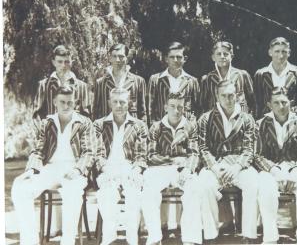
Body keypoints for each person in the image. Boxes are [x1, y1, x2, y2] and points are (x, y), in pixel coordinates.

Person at [12, 86, 95, 245]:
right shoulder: (47, 123)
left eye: (70, 102)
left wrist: (78, 170)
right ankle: (30, 241)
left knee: (72, 191)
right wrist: (31, 170)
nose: (66, 106)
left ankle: (67, 241)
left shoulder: (84, 123)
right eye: (62, 102)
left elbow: (89, 152)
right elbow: (38, 150)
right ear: (55, 102)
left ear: (75, 103)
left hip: (74, 169)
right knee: (20, 186)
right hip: (49, 169)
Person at [197, 80, 258, 242]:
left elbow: (249, 149)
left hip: (239, 166)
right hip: (215, 165)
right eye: (224, 95)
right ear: (217, 96)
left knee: (253, 184)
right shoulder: (205, 118)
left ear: (237, 96)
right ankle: (211, 235)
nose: (228, 99)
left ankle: (249, 235)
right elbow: (203, 148)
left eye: (231, 95)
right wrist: (215, 167)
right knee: (205, 186)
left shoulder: (247, 119)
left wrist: (237, 167)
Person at [254, 87, 297, 244]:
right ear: (269, 105)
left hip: (295, 167)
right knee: (265, 185)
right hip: (271, 169)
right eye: (276, 103)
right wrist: (273, 170)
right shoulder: (261, 124)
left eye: (284, 102)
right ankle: (270, 237)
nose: (281, 106)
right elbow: (257, 154)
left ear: (291, 103)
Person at [142, 92, 201, 245]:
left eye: (180, 107)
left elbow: (194, 154)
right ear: (165, 107)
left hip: (182, 169)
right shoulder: (156, 127)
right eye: (173, 106)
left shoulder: (190, 127)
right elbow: (150, 155)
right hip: (159, 169)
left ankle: (190, 238)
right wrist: (173, 160)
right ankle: (154, 237)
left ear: (184, 108)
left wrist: (188, 168)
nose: (176, 111)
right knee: (149, 189)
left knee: (194, 187)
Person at [93, 88, 148, 245]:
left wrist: (136, 170)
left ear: (129, 103)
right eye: (115, 101)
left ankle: (132, 239)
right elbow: (98, 153)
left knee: (134, 193)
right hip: (107, 167)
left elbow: (141, 154)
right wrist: (105, 170)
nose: (119, 105)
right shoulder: (99, 125)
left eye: (123, 102)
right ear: (109, 103)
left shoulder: (139, 125)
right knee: (106, 193)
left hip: (130, 167)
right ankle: (109, 238)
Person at [148, 42, 200, 125]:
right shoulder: (156, 79)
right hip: (162, 129)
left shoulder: (192, 81)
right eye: (172, 57)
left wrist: (191, 125)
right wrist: (154, 126)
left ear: (185, 59)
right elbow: (150, 108)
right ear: (166, 59)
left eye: (179, 57)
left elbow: (197, 108)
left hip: (184, 131)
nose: (175, 60)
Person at [33, 45, 91, 119]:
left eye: (67, 62)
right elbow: (36, 114)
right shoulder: (44, 85)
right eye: (60, 62)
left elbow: (87, 115)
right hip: (51, 129)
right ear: (54, 62)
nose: (63, 65)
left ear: (71, 62)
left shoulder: (82, 86)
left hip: (74, 129)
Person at [254, 37, 297, 118]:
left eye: (284, 52)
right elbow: (258, 104)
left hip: (292, 120)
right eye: (277, 51)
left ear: (289, 53)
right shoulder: (261, 74)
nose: (281, 56)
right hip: (268, 121)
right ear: (270, 52)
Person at [93, 43, 147, 121]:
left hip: (131, 130)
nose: (117, 60)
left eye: (121, 56)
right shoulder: (101, 83)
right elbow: (96, 112)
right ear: (110, 58)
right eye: (114, 56)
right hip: (108, 130)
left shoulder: (138, 81)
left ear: (127, 59)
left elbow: (143, 113)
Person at [200, 41, 255, 115]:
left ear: (231, 56)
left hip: (239, 120)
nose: (222, 56)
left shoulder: (242, 75)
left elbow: (252, 101)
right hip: (216, 121)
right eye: (219, 54)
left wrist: (247, 117)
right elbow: (203, 105)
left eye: (225, 54)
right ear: (213, 57)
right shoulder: (207, 79)